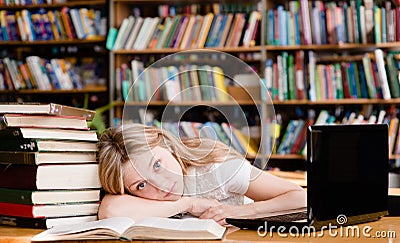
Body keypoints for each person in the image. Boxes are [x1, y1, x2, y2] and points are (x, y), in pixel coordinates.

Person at [97, 123, 306, 225]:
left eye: (157, 165)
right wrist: (188, 204)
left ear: (165, 143)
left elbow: (301, 198)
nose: (160, 185)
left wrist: (240, 213)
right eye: (141, 185)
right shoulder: (133, 196)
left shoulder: (215, 168)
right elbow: (110, 212)